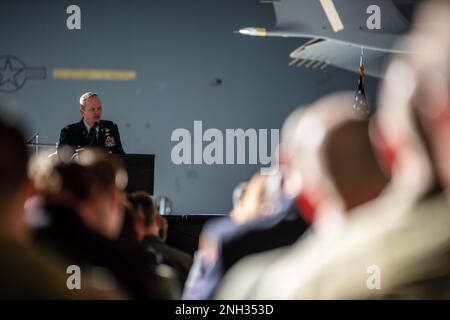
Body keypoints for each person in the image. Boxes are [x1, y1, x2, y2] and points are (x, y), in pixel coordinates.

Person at [59, 92, 125, 154]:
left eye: (99, 108)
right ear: (82, 111)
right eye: (92, 109)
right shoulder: (69, 132)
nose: (97, 112)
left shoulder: (111, 128)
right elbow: (62, 162)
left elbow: (121, 156)